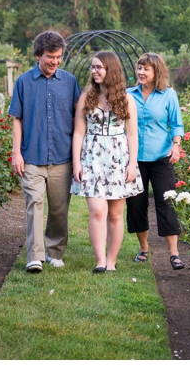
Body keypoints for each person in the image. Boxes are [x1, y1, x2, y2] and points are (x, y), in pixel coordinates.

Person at [9, 30, 82, 273]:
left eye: (59, 57)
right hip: (32, 156)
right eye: (50, 56)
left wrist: (78, 157)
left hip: (62, 156)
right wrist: (16, 153)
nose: (55, 61)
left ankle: (55, 251)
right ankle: (35, 256)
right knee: (34, 204)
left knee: (60, 209)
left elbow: (79, 119)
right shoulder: (23, 82)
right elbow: (17, 119)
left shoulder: (70, 82)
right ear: (39, 55)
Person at [70, 51, 143, 272]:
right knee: (97, 211)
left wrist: (132, 164)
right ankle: (100, 261)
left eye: (99, 67)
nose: (94, 71)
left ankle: (111, 262)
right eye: (93, 67)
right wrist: (77, 163)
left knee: (114, 213)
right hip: (92, 158)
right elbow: (78, 134)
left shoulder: (126, 99)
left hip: (118, 159)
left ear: (110, 69)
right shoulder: (86, 97)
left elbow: (132, 134)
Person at [125, 53, 186, 270]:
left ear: (156, 72)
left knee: (166, 202)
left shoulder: (168, 95)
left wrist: (176, 145)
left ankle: (174, 253)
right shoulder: (128, 94)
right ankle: (143, 249)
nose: (141, 72)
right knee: (136, 204)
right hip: (134, 159)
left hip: (161, 157)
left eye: (146, 69)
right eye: (139, 68)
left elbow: (176, 124)